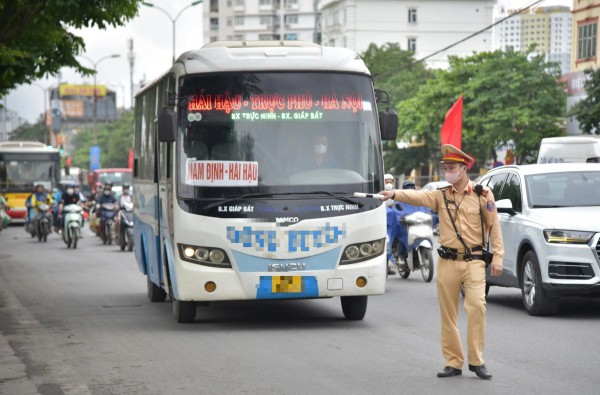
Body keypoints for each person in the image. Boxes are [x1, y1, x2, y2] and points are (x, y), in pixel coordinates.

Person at [379, 144, 504, 380]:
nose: (448, 171)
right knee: (448, 315)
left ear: (464, 168)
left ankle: (476, 360)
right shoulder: (440, 194)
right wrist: (394, 193)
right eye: (445, 168)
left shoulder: (482, 195)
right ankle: (453, 362)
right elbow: (418, 196)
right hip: (447, 261)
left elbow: (494, 227)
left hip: (474, 261)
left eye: (452, 167)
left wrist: (497, 256)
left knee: (477, 306)